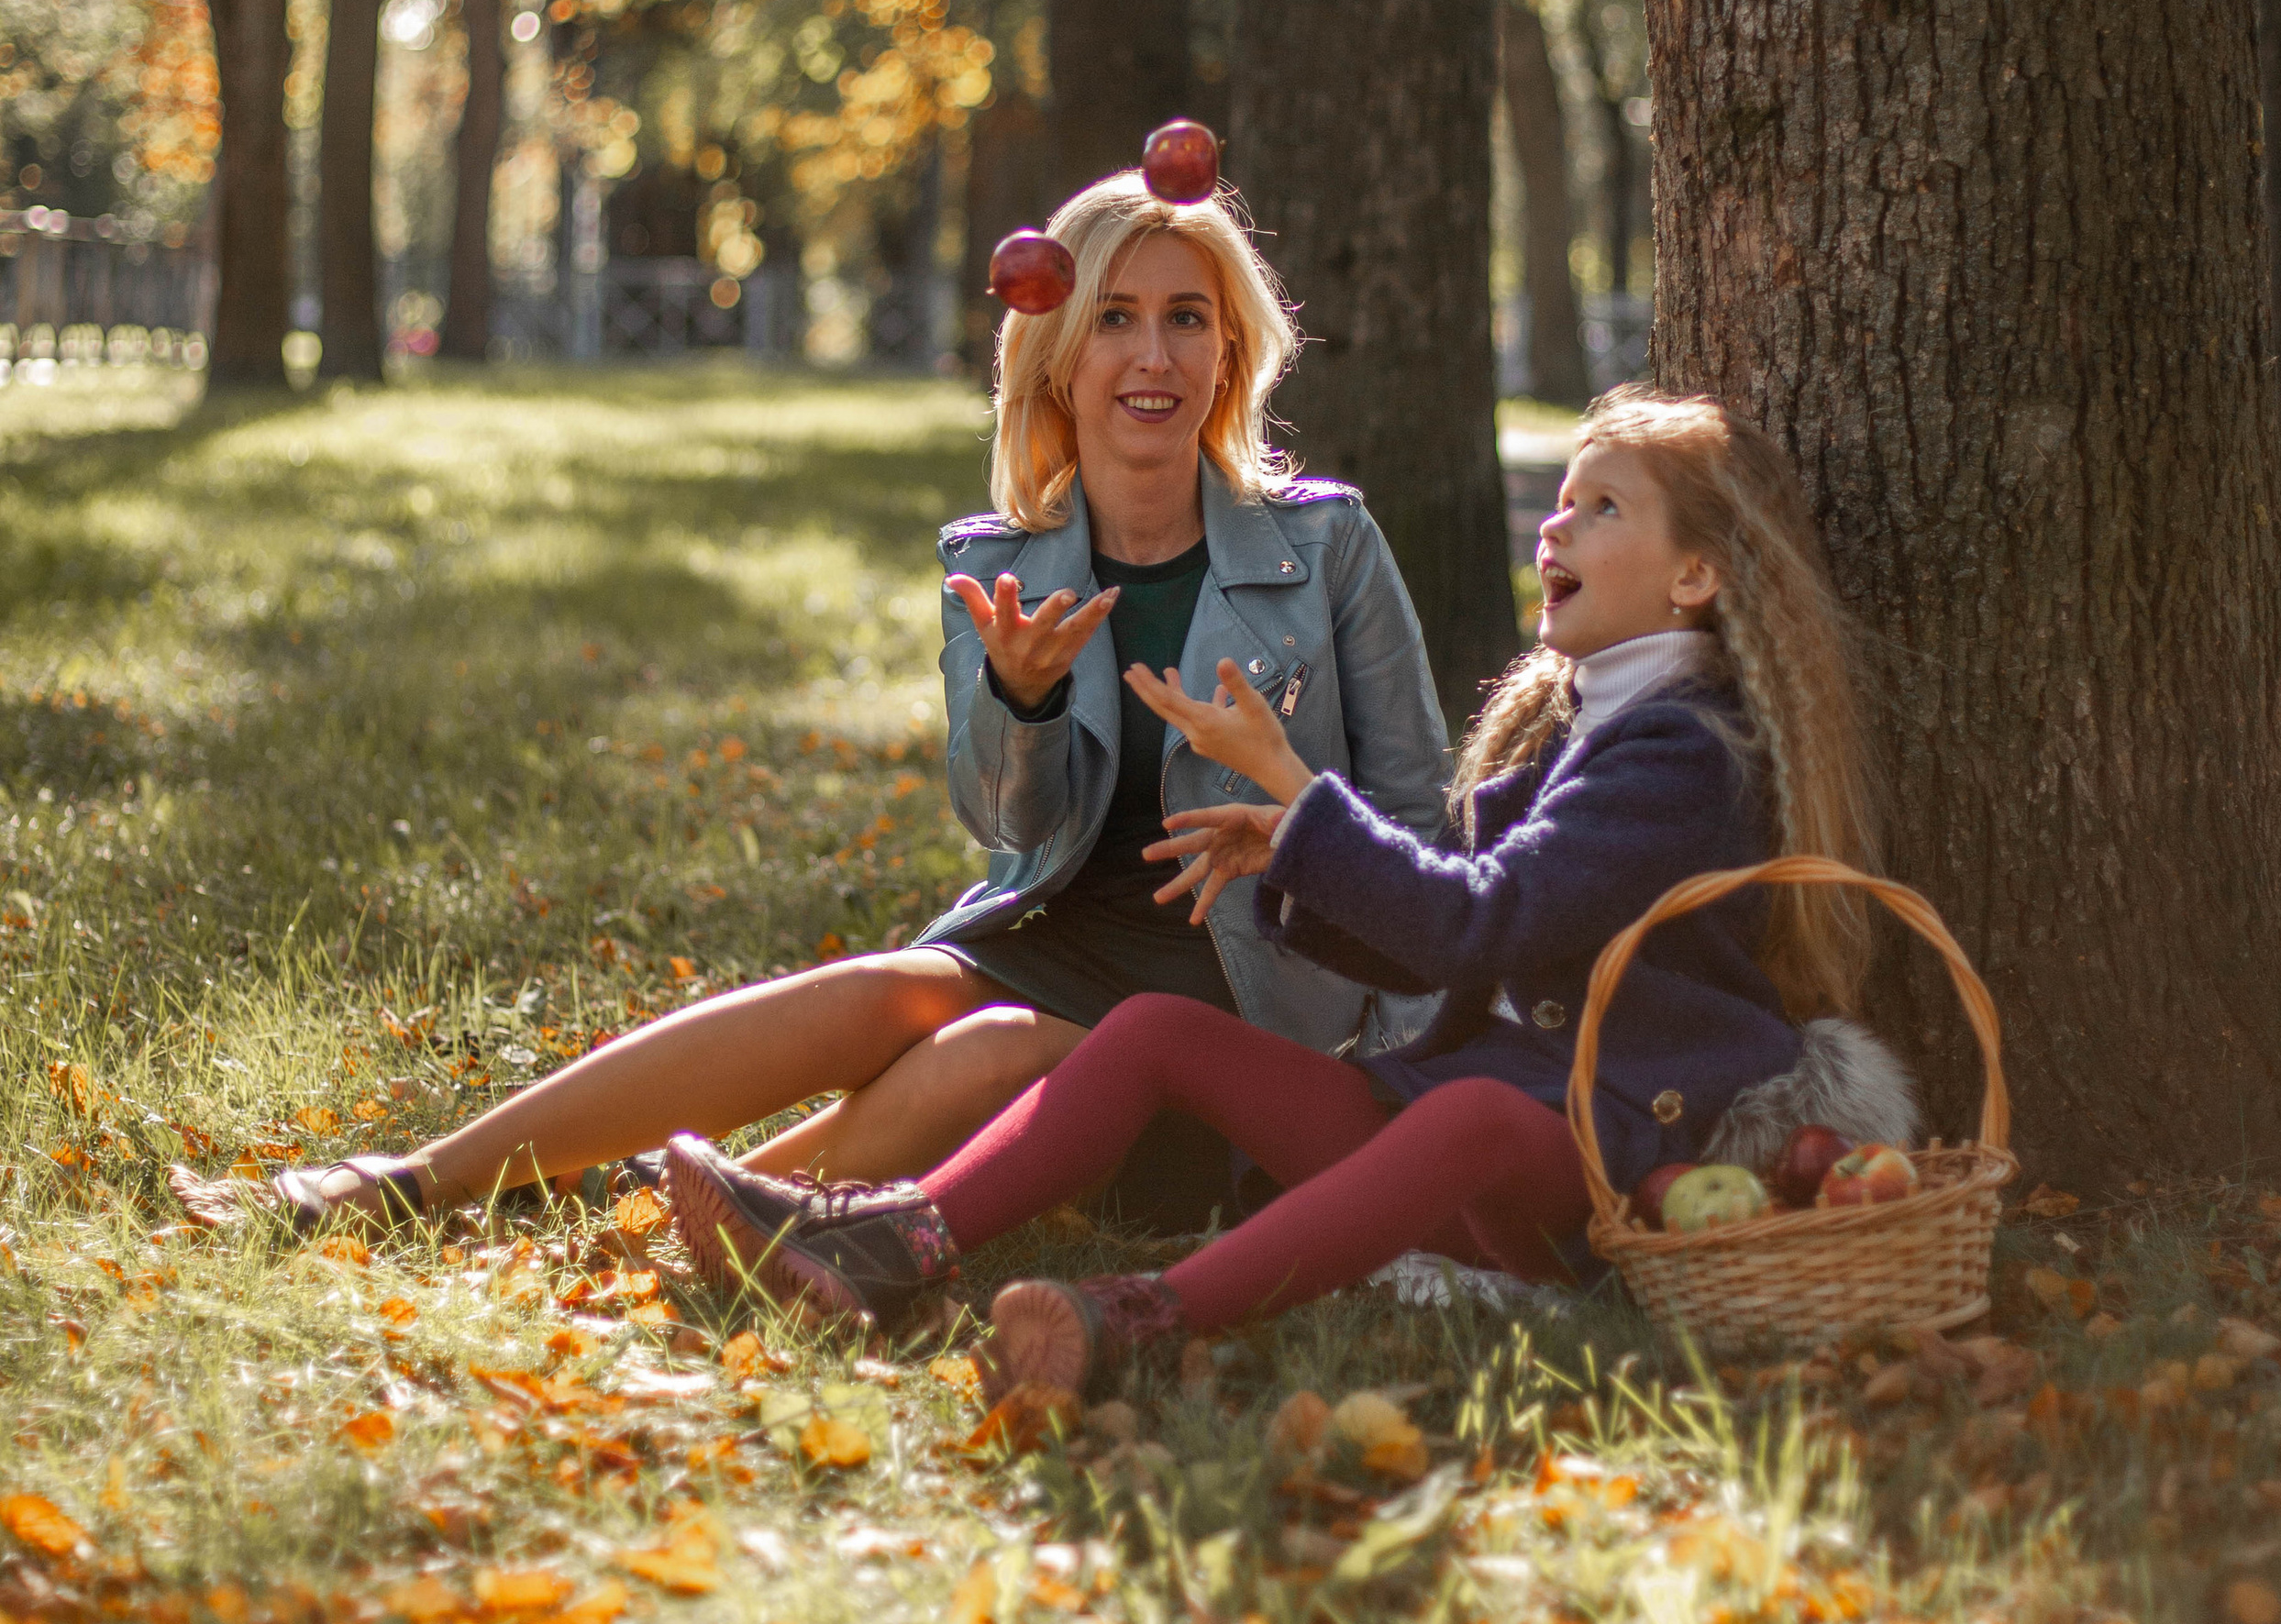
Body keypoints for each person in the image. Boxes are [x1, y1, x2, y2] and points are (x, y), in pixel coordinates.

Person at [171, 171, 1448, 1233]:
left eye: (1187, 317)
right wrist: (1022, 699)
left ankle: (674, 1214)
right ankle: (406, 1184)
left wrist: (1370, 1050)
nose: (1153, 354)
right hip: (1057, 943)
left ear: (1232, 351)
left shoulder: (1325, 548)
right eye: (1115, 319)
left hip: (1246, 1007)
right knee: (892, 991)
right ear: (1059, 355)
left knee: (987, 1049)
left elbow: (1419, 828)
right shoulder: (999, 564)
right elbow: (1004, 824)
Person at [661, 387, 1916, 1388]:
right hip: (1450, 1125)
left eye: (1601, 511)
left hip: (1592, 1169)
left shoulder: (1681, 754)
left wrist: (1299, 790)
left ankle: (1143, 1318)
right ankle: (898, 1240)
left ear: (1695, 579)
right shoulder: (1577, 729)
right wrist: (1288, 857)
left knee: (1465, 1125)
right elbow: (1438, 939)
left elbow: (1487, 920)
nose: (1555, 527)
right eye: (1563, 502)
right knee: (1154, 1031)